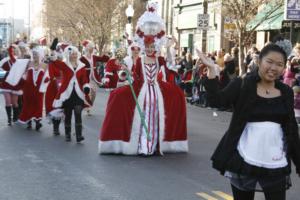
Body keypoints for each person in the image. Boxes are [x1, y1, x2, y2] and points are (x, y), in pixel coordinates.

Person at [197, 43, 300, 200]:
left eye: (279, 64)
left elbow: (291, 128)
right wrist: (212, 69)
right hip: (244, 157)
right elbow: (217, 101)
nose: (273, 68)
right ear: (259, 62)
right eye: (269, 62)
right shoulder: (242, 84)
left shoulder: (285, 91)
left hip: (275, 159)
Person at [99, 2, 188, 155]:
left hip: (157, 90)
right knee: (120, 99)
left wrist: (169, 48)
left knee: (172, 101)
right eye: (148, 47)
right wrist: (126, 72)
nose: (150, 49)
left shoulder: (159, 60)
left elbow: (170, 66)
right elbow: (135, 76)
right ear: (144, 47)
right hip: (143, 90)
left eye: (152, 47)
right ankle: (143, 145)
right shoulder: (139, 60)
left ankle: (154, 145)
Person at [51, 45, 91, 142]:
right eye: (72, 54)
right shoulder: (64, 65)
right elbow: (55, 61)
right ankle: (68, 134)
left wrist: (86, 86)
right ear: (68, 55)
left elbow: (84, 79)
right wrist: (52, 49)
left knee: (78, 112)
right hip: (67, 93)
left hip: (78, 93)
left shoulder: (81, 66)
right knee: (68, 114)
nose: (74, 55)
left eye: (75, 54)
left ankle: (79, 135)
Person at [18, 46, 45, 130]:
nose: (34, 56)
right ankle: (28, 121)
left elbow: (48, 76)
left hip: (39, 89)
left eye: (36, 54)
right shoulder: (28, 63)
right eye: (33, 54)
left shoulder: (45, 65)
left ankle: (37, 122)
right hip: (28, 88)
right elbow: (22, 71)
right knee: (28, 104)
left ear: (40, 55)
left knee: (38, 104)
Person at [80, 40, 109, 115]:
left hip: (94, 77)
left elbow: (104, 59)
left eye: (92, 48)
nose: (92, 49)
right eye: (90, 48)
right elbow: (78, 67)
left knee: (94, 93)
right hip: (86, 77)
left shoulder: (94, 57)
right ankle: (88, 108)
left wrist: (105, 54)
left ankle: (90, 105)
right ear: (86, 48)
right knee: (88, 92)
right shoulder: (82, 58)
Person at [0, 45, 24, 125]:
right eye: (11, 50)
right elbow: (1, 69)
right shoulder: (5, 60)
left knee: (14, 103)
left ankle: (15, 117)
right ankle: (9, 119)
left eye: (14, 50)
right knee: (8, 101)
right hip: (6, 82)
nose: (13, 51)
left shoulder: (19, 60)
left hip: (16, 83)